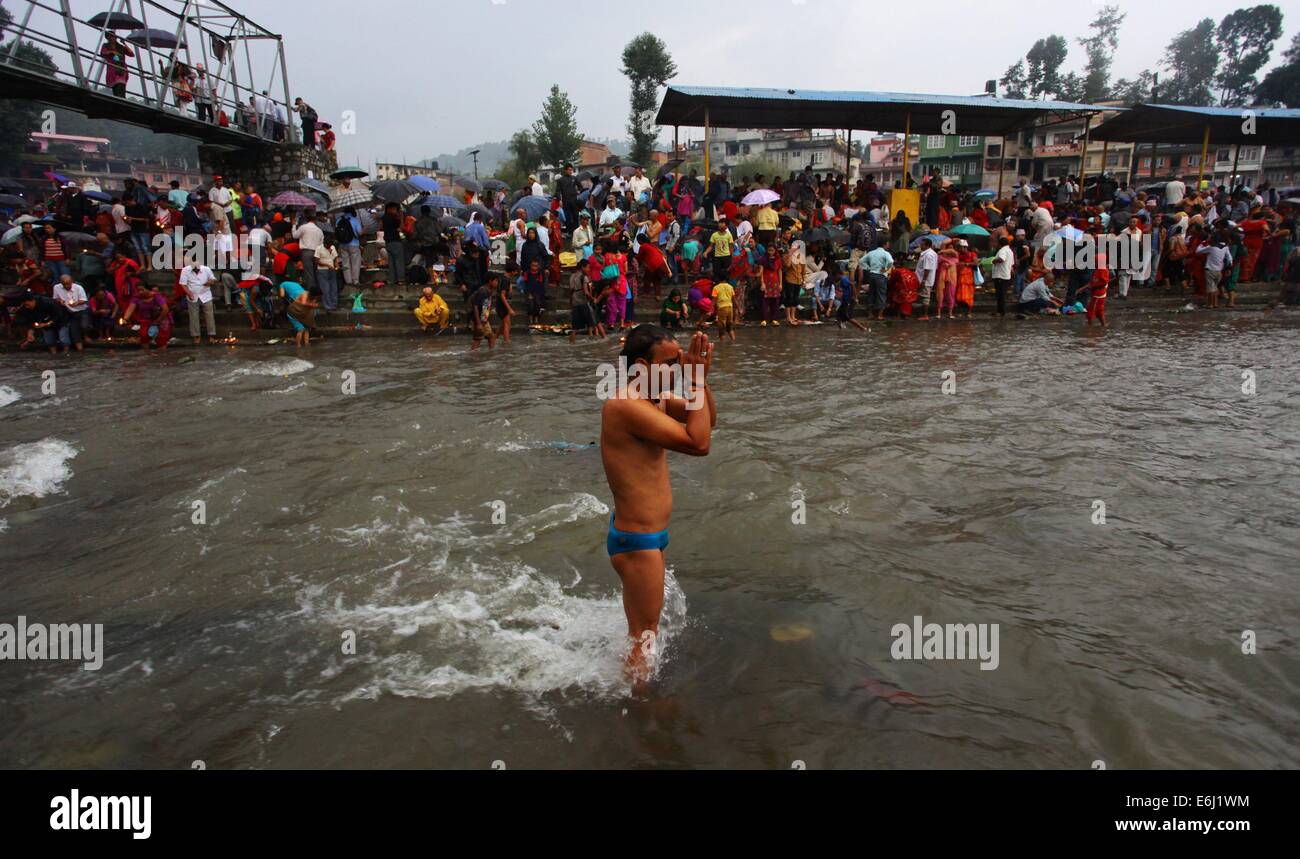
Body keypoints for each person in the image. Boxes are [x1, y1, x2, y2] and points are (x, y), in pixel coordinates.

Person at [601, 326, 716, 684]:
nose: (679, 369)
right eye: (672, 363)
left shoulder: (657, 400)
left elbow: (709, 421)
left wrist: (701, 378)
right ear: (640, 366)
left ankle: (634, 691)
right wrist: (694, 380)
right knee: (645, 636)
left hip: (648, 536)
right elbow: (699, 444)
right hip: (638, 541)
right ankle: (641, 709)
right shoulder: (624, 405)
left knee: (642, 629)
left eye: (680, 363)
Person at [120, 282, 173, 349]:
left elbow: (165, 309)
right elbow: (130, 309)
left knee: (161, 339)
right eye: (138, 290)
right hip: (146, 319)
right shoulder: (136, 298)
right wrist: (125, 319)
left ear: (148, 289)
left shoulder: (156, 296)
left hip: (161, 318)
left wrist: (157, 321)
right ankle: (147, 354)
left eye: (142, 290)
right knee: (144, 336)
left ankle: (161, 354)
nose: (140, 292)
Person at [179, 260, 218, 345]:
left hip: (206, 295)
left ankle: (212, 335)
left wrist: (210, 282)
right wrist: (188, 293)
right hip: (192, 295)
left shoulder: (206, 269)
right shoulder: (185, 270)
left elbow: (214, 279)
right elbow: (183, 284)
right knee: (193, 316)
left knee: (209, 315)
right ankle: (196, 336)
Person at [52, 274, 89, 352]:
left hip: (80, 310)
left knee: (82, 326)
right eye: (64, 284)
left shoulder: (78, 288)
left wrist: (76, 303)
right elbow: (55, 298)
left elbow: (84, 300)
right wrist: (60, 301)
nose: (67, 286)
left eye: (68, 283)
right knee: (72, 329)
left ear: (72, 281)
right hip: (68, 311)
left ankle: (84, 338)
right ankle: (78, 348)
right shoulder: (56, 287)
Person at [278, 278, 316, 347]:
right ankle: (298, 345)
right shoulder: (300, 294)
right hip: (294, 309)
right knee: (301, 329)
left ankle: (305, 343)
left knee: (305, 329)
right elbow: (282, 296)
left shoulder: (304, 294)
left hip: (296, 305)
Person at [469, 272, 498, 350]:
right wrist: (478, 323)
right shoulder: (483, 291)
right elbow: (475, 306)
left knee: (491, 336)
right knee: (478, 339)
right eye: (495, 281)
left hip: (483, 319)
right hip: (478, 320)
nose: (496, 283)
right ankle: (472, 356)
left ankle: (490, 353)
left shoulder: (489, 290)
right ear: (490, 281)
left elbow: (486, 306)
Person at [990, 236, 1015, 317]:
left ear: (1000, 244)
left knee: (1000, 295)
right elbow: (1011, 264)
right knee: (1002, 294)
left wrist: (994, 261)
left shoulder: (1002, 250)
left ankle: (1001, 311)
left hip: (1000, 275)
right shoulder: (1010, 251)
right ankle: (1000, 311)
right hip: (1006, 275)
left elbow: (1001, 259)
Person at [315, 236, 340, 311]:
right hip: (322, 270)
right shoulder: (319, 248)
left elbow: (335, 258)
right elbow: (316, 261)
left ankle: (334, 305)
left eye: (329, 245)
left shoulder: (332, 247)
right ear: (324, 243)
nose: (328, 247)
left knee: (334, 288)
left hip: (332, 270)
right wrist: (327, 265)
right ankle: (328, 306)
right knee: (325, 289)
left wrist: (337, 265)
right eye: (327, 245)